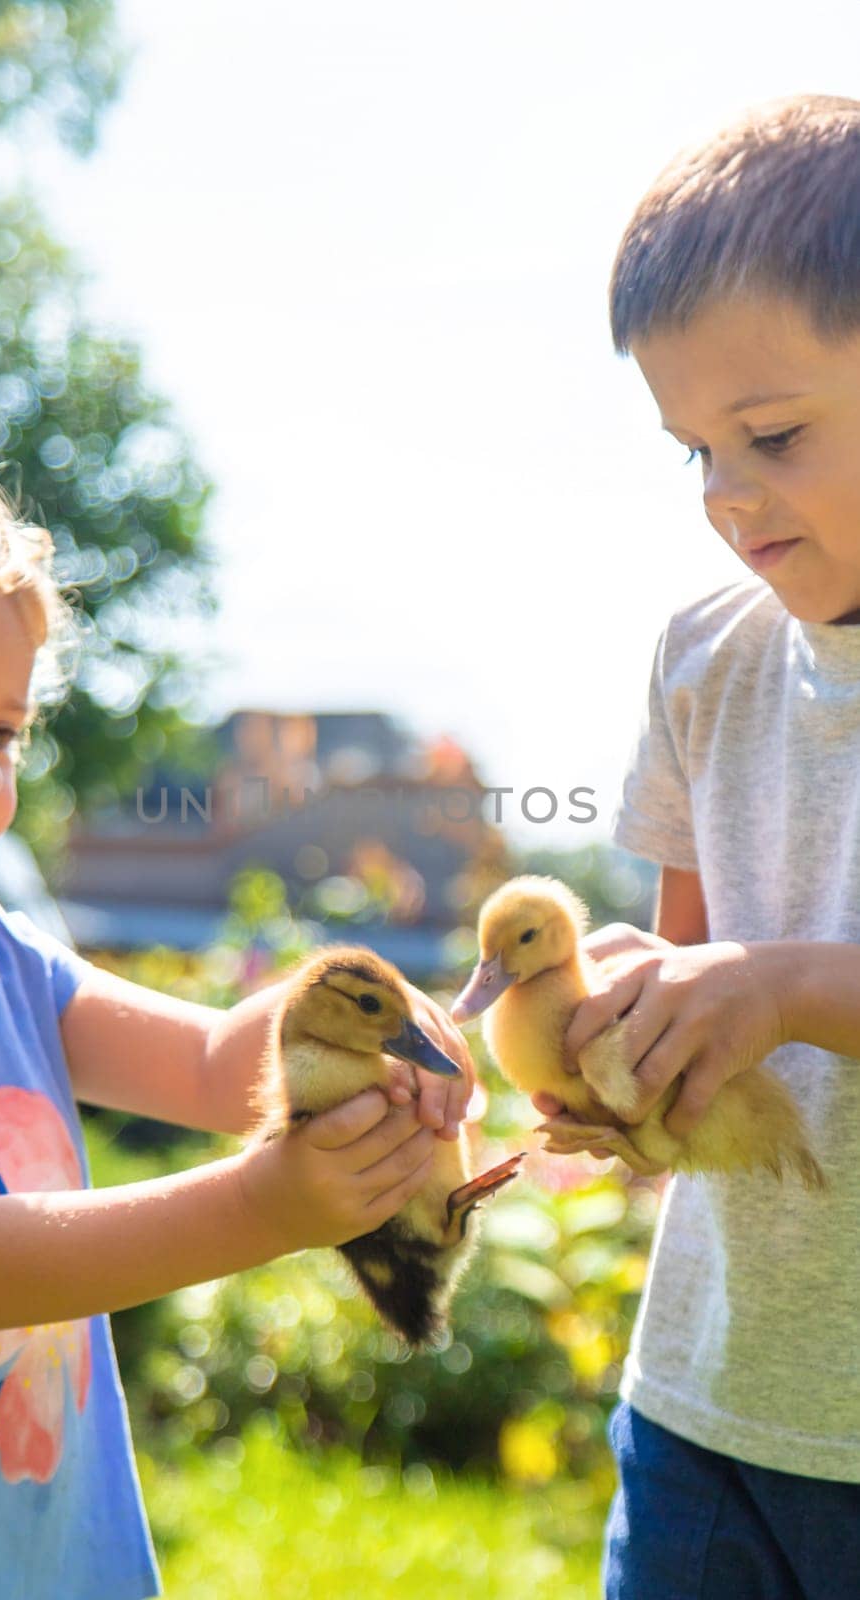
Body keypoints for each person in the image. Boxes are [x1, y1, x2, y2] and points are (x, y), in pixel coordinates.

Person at [0, 379, 473, 1600]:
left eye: (5, 733)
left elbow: (211, 1067)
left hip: (44, 1557)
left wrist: (362, 1013)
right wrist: (266, 1206)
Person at [536, 93, 860, 1598]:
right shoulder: (699, 659)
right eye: (689, 452)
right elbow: (692, 963)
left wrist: (785, 988)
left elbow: (767, 983)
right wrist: (628, 1029)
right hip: (703, 1406)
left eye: (771, 436)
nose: (726, 499)